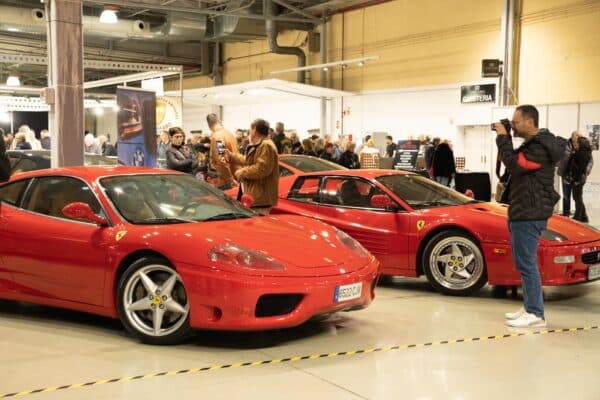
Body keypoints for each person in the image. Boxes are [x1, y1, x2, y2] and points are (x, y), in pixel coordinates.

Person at [494, 104, 566, 328]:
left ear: (529, 121)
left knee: (527, 264)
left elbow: (514, 165)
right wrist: (506, 137)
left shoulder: (539, 148)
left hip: (529, 213)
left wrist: (503, 138)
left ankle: (535, 313)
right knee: (523, 263)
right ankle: (529, 306)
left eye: (515, 122)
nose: (513, 126)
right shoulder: (534, 144)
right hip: (524, 210)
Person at [225, 119, 279, 215]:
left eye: (250, 129)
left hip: (260, 198)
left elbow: (261, 169)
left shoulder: (266, 145)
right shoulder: (261, 144)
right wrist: (231, 156)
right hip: (257, 196)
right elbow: (249, 161)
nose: (249, 132)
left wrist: (242, 172)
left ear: (254, 129)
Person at [207, 113, 240, 190]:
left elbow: (221, 159)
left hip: (225, 179)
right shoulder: (230, 134)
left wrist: (229, 179)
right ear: (219, 121)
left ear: (209, 125)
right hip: (235, 174)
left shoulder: (217, 137)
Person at [566, 136, 593, 222]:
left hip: (579, 179)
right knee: (578, 197)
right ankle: (583, 216)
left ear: (581, 144)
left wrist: (577, 180)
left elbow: (581, 169)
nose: (575, 144)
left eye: (577, 143)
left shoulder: (582, 154)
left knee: (577, 198)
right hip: (578, 178)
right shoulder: (582, 152)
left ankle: (578, 216)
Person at [556, 130, 579, 216]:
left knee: (577, 197)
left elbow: (589, 161)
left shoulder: (582, 146)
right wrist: (559, 164)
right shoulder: (565, 145)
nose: (578, 138)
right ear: (572, 137)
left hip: (576, 176)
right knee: (566, 196)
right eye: (576, 136)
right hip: (566, 174)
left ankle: (579, 215)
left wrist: (585, 172)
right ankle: (566, 213)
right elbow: (558, 155)